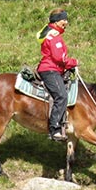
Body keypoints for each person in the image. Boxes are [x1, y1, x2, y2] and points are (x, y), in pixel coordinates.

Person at [36, 10, 78, 142]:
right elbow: (59, 58)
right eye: (64, 19)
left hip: (52, 68)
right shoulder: (54, 37)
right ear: (56, 20)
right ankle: (54, 128)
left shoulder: (52, 34)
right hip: (50, 70)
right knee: (61, 95)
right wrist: (74, 63)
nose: (66, 22)